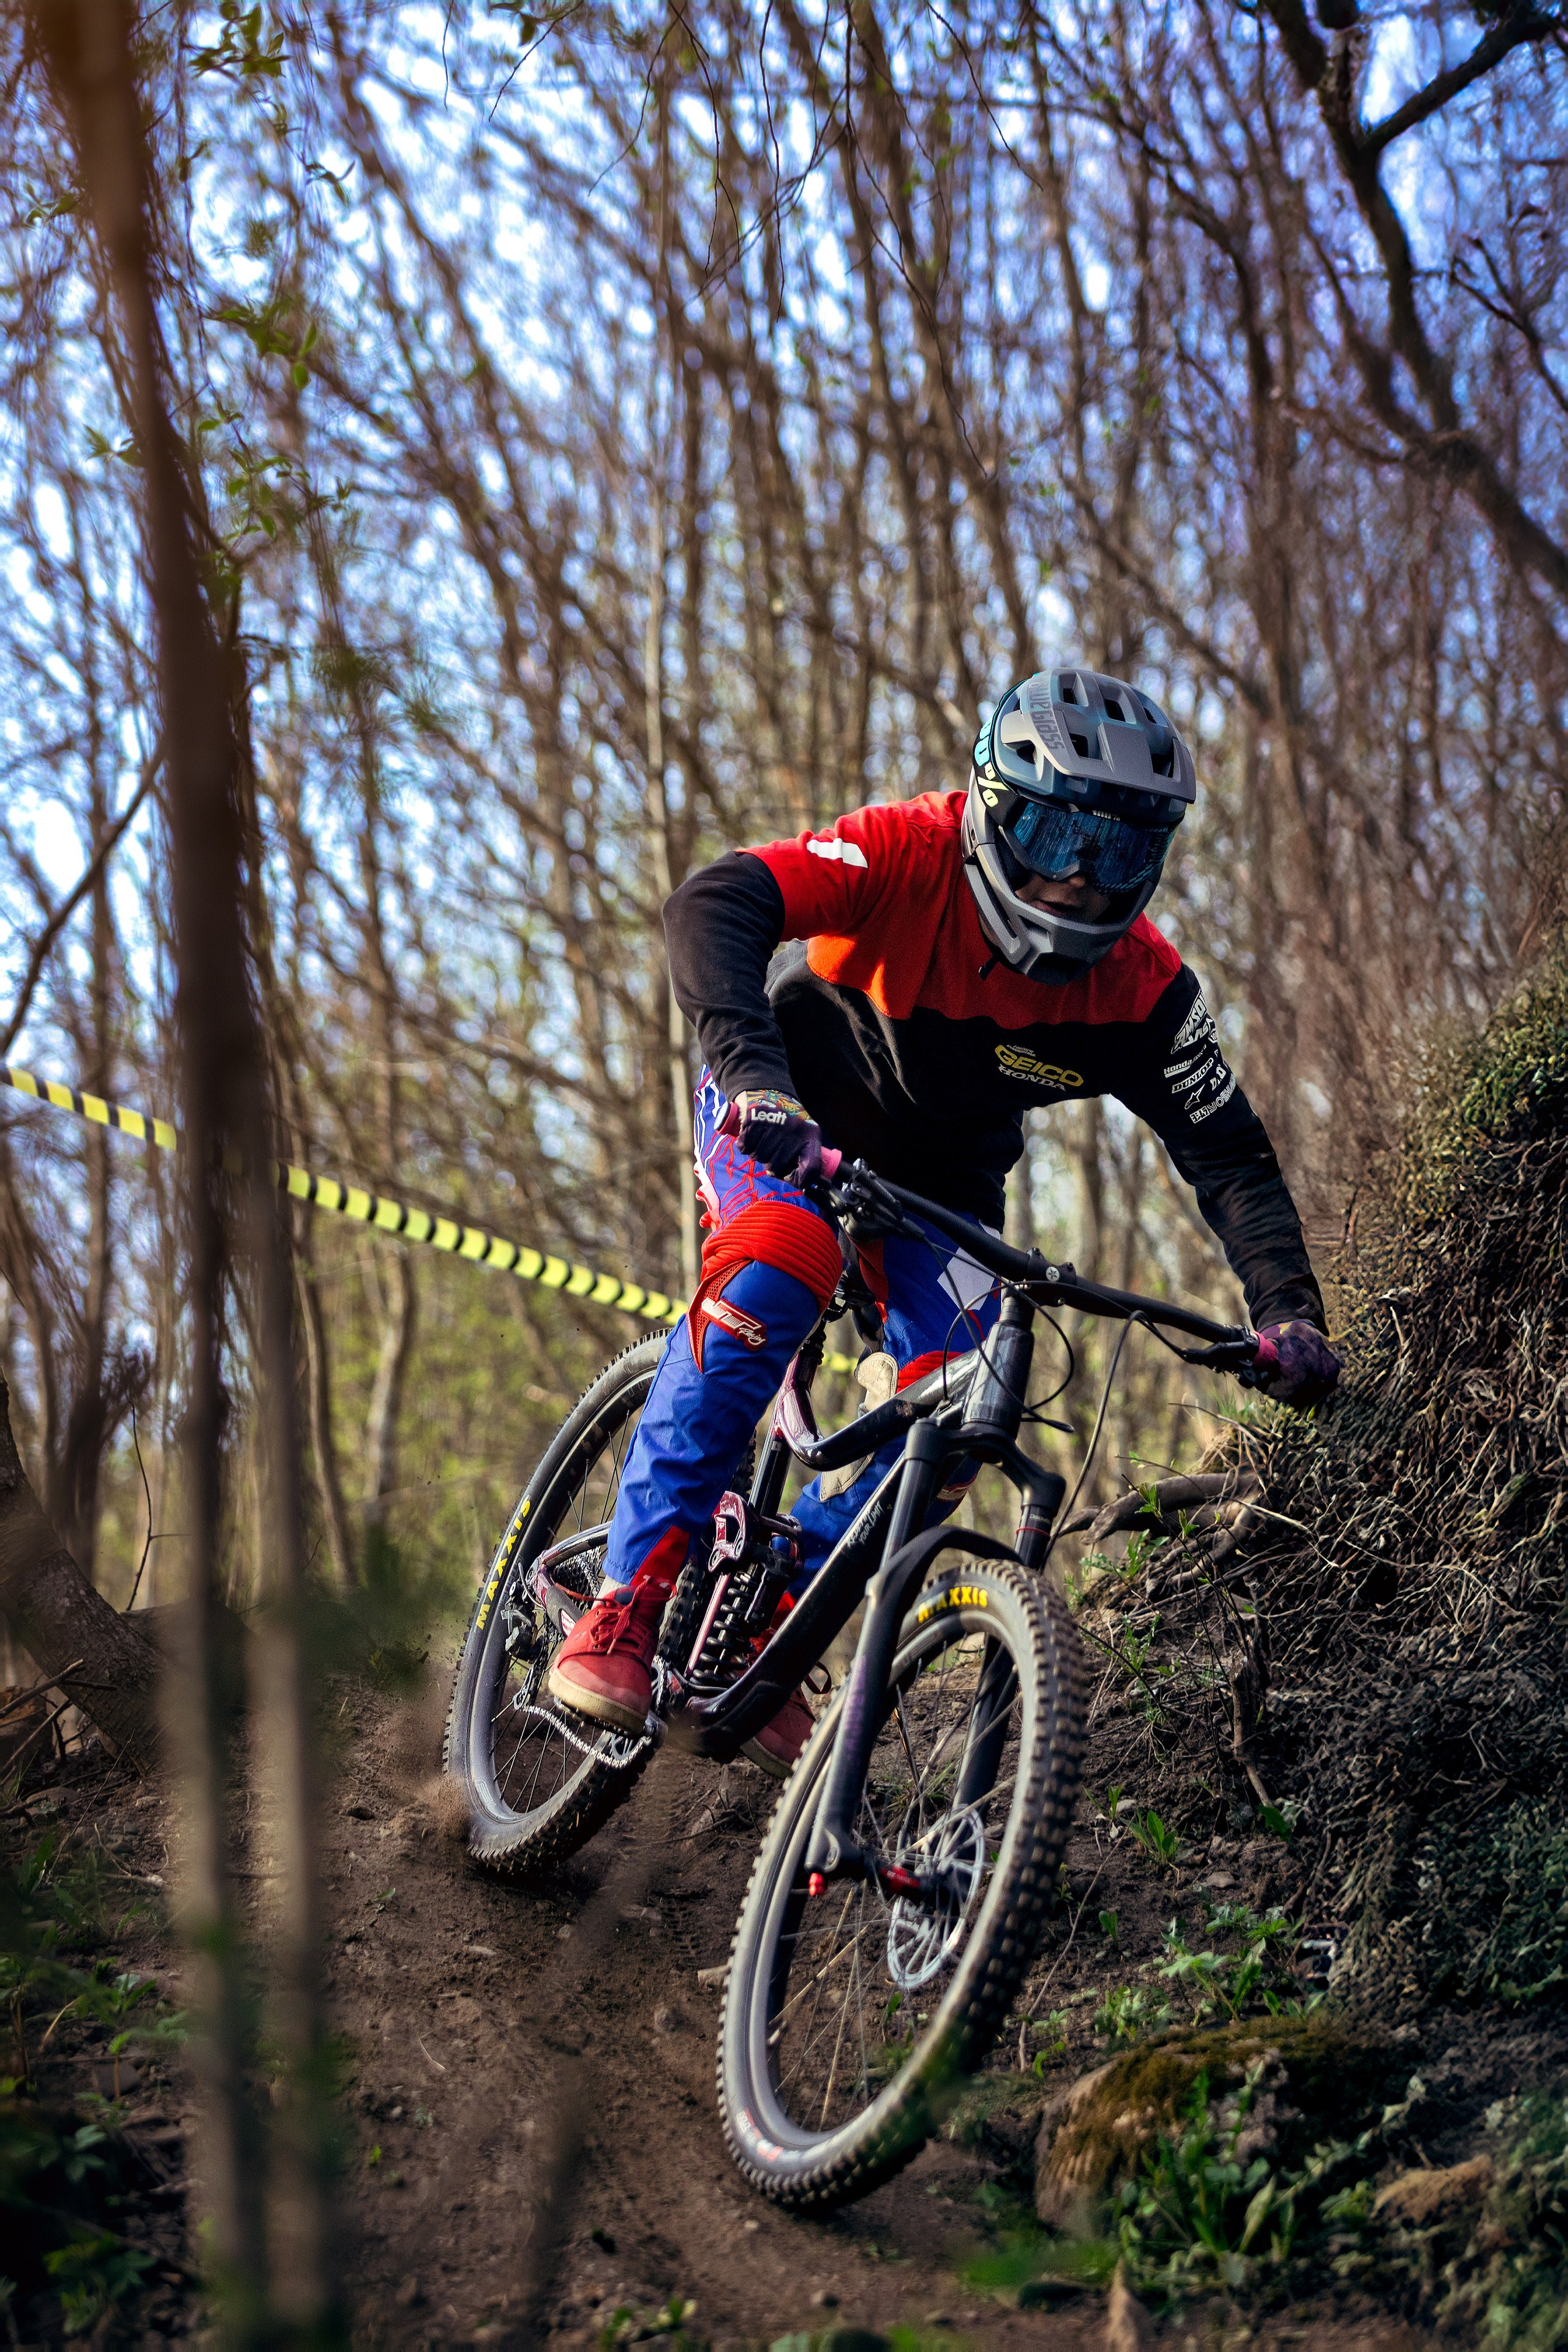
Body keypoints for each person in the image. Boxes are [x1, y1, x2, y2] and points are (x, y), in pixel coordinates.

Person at [548, 665, 1340, 1765]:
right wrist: (754, 1078)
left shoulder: (1146, 990)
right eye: (1057, 838)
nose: (1077, 885)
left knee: (969, 1410)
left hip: (944, 1190)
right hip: (792, 1116)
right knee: (779, 1263)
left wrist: (1289, 1311)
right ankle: (626, 1599)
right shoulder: (906, 852)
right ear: (992, 810)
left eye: (1116, 855)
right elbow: (716, 902)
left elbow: (1233, 1156)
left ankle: (779, 1622)